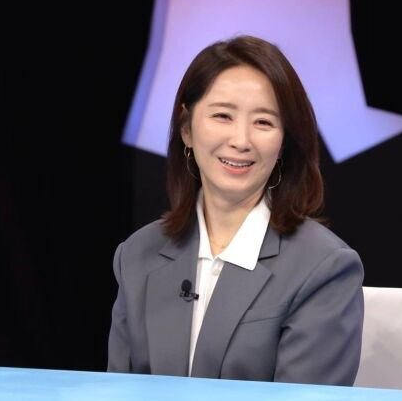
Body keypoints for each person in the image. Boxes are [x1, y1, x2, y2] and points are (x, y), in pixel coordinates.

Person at [107, 35, 364, 386]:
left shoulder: (324, 267)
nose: (241, 141)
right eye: (222, 116)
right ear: (186, 128)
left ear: (284, 142)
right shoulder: (137, 255)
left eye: (263, 122)